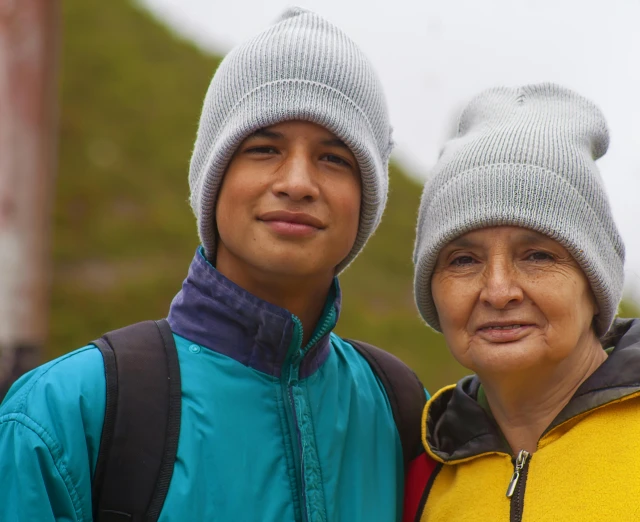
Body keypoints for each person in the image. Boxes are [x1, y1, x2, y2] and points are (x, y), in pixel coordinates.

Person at [0, 8, 424, 522]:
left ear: (367, 200)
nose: (297, 182)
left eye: (334, 158)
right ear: (213, 177)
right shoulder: (63, 414)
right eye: (264, 148)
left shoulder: (402, 412)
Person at [403, 83, 640, 521]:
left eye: (538, 256)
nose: (498, 290)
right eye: (463, 260)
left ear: (595, 282)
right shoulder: (420, 482)